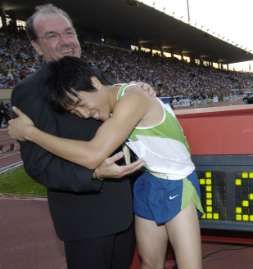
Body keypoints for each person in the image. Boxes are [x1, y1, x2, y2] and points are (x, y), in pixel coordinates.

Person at [9, 56, 204, 269]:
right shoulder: (114, 102)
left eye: (81, 104)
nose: (84, 114)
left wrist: (30, 133)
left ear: (95, 82)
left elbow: (92, 154)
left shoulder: (134, 98)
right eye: (75, 112)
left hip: (177, 182)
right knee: (149, 264)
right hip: (148, 181)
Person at [11, 4, 148, 269]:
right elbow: (39, 165)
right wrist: (93, 175)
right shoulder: (29, 92)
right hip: (85, 221)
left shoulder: (98, 76)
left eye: (69, 32)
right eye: (52, 36)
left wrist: (139, 90)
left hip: (127, 209)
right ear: (37, 46)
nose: (65, 42)